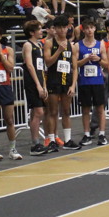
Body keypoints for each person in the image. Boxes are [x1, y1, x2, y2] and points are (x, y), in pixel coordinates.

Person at [42, 14, 78, 151]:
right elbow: (48, 62)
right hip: (53, 80)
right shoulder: (49, 43)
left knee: (66, 111)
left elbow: (75, 67)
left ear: (68, 28)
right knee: (53, 111)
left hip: (67, 81)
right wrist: (59, 51)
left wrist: (73, 85)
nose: (62, 30)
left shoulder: (72, 46)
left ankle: (68, 140)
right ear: (55, 29)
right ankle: (52, 140)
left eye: (64, 27)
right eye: (59, 27)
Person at [0, 26, 22, 161]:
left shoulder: (8, 50)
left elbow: (10, 68)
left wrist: (1, 55)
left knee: (9, 119)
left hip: (5, 86)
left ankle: (12, 149)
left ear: (0, 36)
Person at [76, 17, 108, 146]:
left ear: (95, 29)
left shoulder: (100, 44)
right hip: (84, 81)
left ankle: (102, 134)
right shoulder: (78, 45)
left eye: (91, 28)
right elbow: (75, 64)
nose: (89, 30)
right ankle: (86, 134)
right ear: (83, 30)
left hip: (97, 81)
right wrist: (85, 59)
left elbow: (106, 64)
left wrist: (98, 59)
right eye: (87, 28)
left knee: (100, 108)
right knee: (85, 109)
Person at [20, 20, 49, 155]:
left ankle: (36, 143)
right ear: (32, 32)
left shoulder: (39, 45)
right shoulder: (28, 45)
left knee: (36, 112)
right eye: (39, 29)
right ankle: (35, 143)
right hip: (32, 81)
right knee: (38, 112)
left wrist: (44, 85)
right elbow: (30, 65)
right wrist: (37, 84)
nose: (41, 31)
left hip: (40, 79)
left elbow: (41, 67)